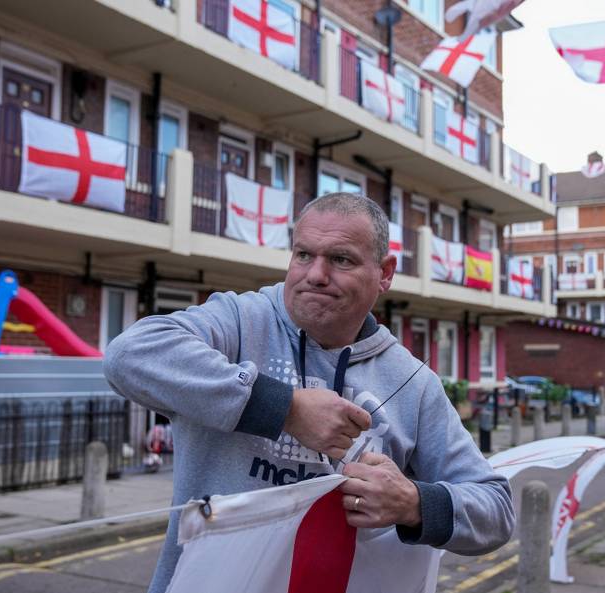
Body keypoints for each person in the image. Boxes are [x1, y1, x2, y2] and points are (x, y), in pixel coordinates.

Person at [104, 192, 515, 593]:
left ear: (385, 272)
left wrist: (413, 503)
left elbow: (496, 511)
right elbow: (128, 355)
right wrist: (285, 407)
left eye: (341, 259)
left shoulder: (413, 382)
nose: (315, 274)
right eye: (303, 255)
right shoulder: (240, 322)